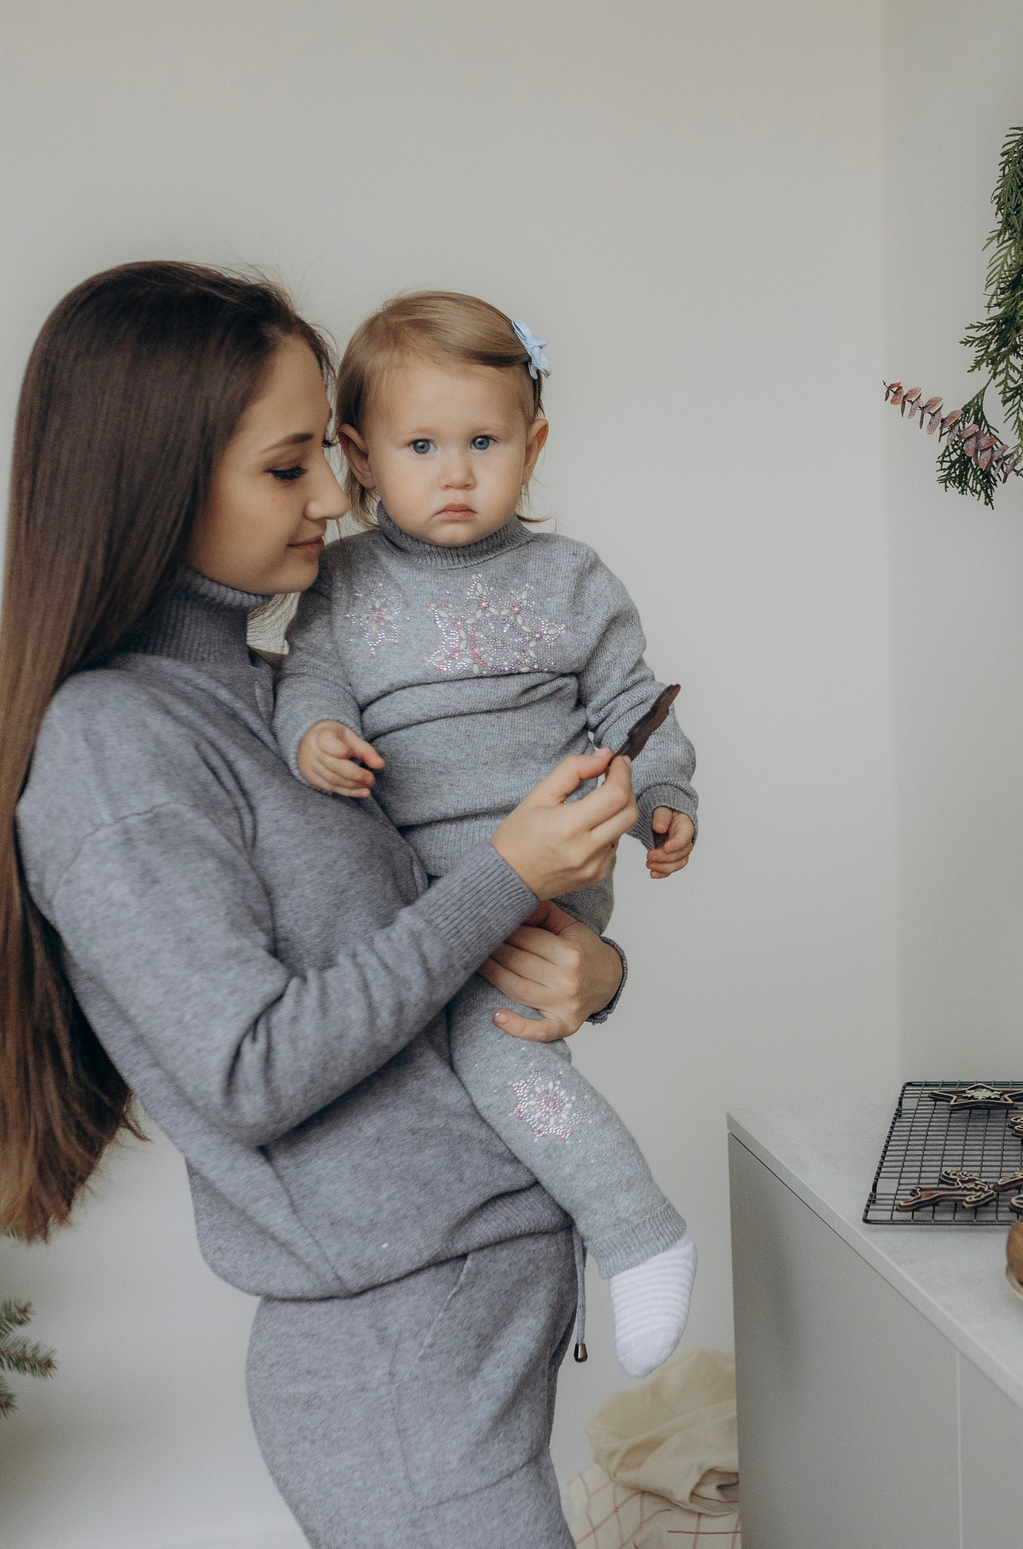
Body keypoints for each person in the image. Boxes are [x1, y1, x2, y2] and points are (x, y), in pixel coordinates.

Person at [0, 261, 628, 1549]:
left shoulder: (278, 694)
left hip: (460, 1312)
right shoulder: (114, 745)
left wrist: (595, 963)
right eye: (287, 465)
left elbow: (428, 952)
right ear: (151, 476)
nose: (335, 498)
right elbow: (252, 1060)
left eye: (329, 454)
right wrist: (506, 874)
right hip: (394, 1347)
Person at [275, 290, 696, 1378]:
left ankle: (639, 1232)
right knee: (435, 1071)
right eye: (421, 445)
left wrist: (663, 801)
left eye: (483, 442)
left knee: (493, 1054)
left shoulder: (569, 581)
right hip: (421, 892)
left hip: (549, 871)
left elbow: (635, 708)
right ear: (360, 457)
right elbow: (310, 679)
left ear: (533, 444)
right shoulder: (343, 582)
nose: (454, 472)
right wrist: (315, 730)